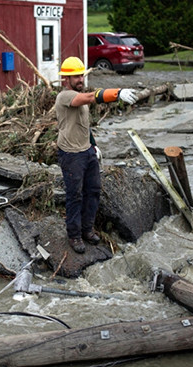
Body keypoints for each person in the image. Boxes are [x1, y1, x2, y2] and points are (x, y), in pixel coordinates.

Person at [55, 57, 138, 253]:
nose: (80, 79)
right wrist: (117, 93)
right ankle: (74, 236)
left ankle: (87, 230)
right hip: (71, 155)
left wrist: (94, 145)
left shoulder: (79, 96)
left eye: (81, 75)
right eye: (75, 76)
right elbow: (92, 97)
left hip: (87, 152)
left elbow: (84, 126)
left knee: (93, 191)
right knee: (74, 195)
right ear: (65, 79)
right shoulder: (65, 96)